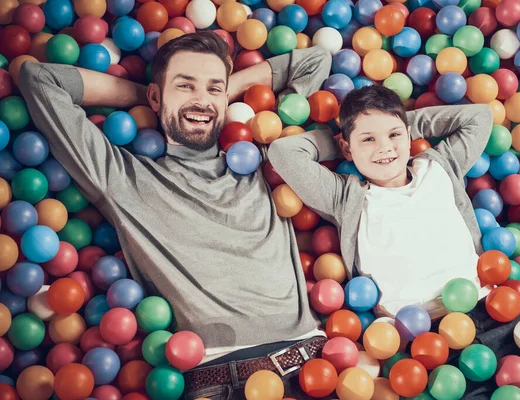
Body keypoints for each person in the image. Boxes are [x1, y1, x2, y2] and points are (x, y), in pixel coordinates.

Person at [18, 32, 334, 400]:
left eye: (214, 89)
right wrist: (152, 95)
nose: (202, 100)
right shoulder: (124, 180)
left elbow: (317, 60)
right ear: (156, 95)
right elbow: (39, 79)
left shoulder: (266, 162)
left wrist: (218, 91)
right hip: (218, 382)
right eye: (185, 86)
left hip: (317, 368)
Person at [268, 85, 520, 398]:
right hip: (418, 348)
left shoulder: (438, 166)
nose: (384, 148)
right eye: (368, 140)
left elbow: (479, 116)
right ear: (347, 149)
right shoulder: (346, 197)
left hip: (491, 314)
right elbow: (283, 153)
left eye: (393, 136)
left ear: (406, 135)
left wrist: (402, 123)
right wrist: (346, 136)